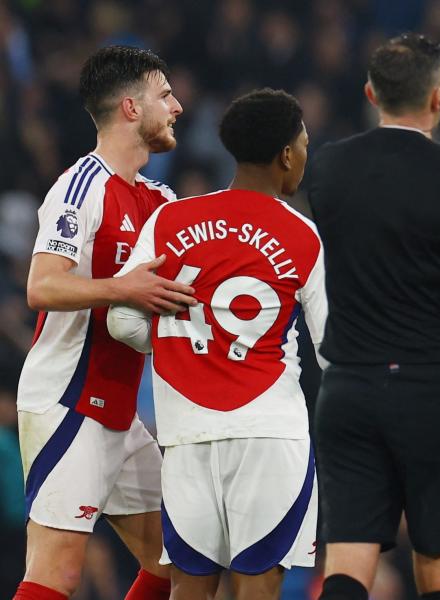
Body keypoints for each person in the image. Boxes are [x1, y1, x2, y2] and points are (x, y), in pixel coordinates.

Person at [305, 32, 440, 600]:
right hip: (433, 394)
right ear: (439, 98)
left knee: (347, 561)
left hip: (348, 388)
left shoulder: (327, 170)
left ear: (372, 92)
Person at [107, 88, 322, 599]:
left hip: (186, 437)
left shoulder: (168, 221)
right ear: (287, 155)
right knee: (258, 588)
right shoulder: (301, 233)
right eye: (306, 146)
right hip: (270, 435)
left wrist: (179, 341)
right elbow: (334, 345)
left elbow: (121, 319)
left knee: (189, 587)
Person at [15, 45, 192, 600]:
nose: (178, 106)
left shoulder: (161, 201)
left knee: (178, 559)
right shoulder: (79, 188)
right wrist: (123, 288)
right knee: (57, 574)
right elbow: (41, 286)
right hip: (68, 399)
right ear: (131, 108)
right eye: (165, 95)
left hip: (119, 412)